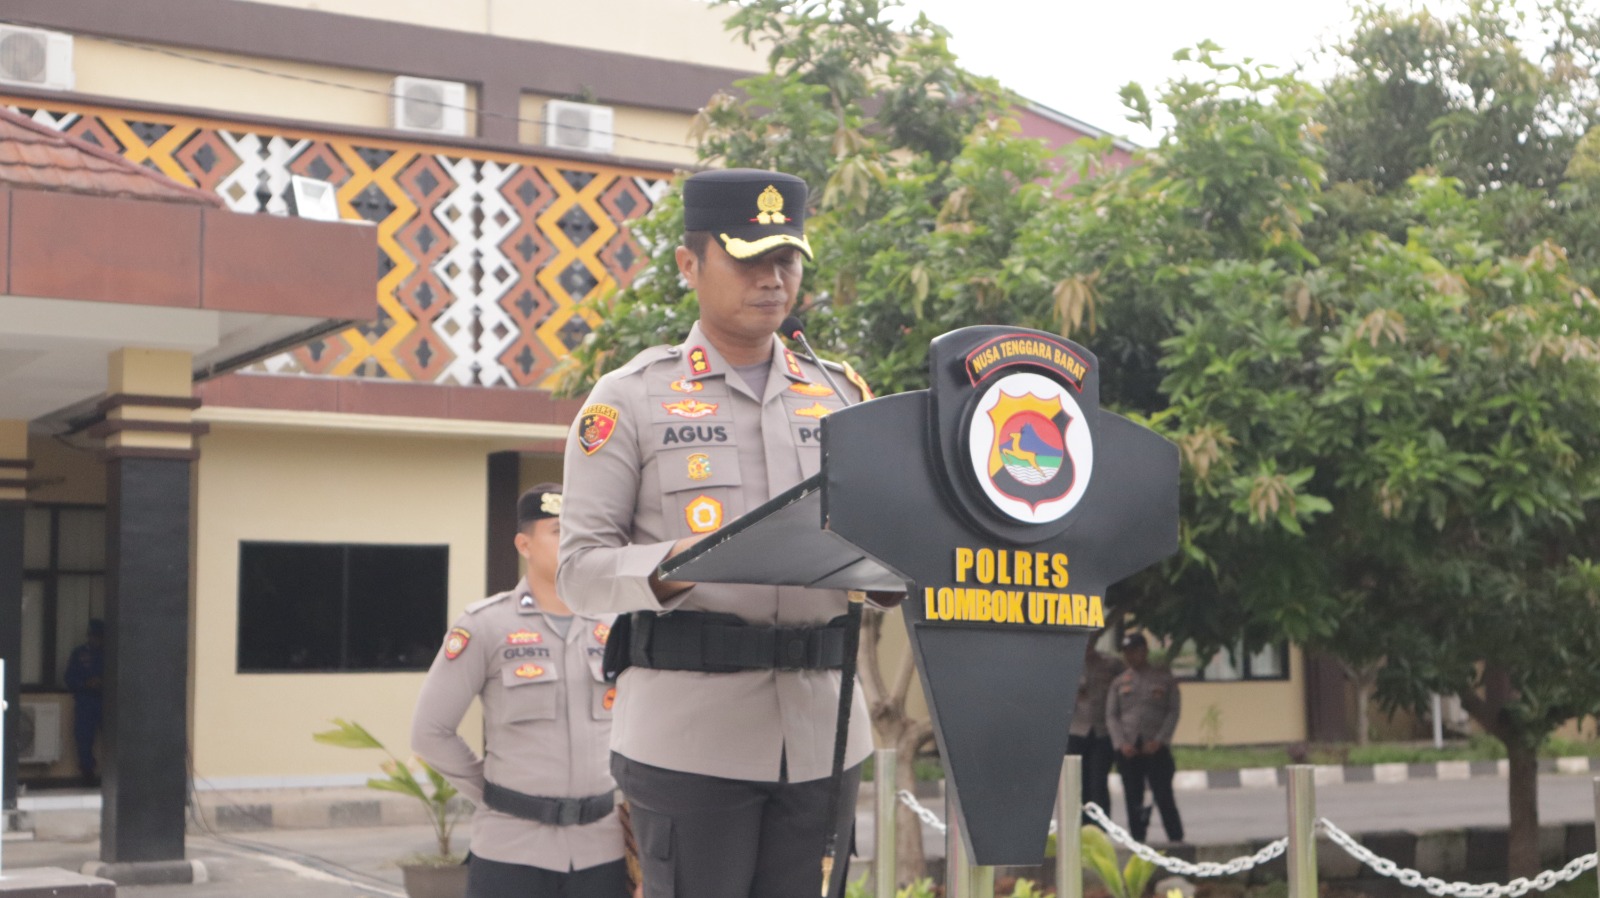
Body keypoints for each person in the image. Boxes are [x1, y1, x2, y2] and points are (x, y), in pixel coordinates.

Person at [557, 168, 876, 898]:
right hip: (691, 740)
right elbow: (578, 571)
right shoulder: (630, 397)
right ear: (689, 263)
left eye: (787, 259)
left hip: (824, 731)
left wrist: (899, 569)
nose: (773, 279)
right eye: (749, 259)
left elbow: (883, 549)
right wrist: (688, 561)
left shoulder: (843, 395)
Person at [412, 484, 630, 898]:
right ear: (524, 545)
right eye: (558, 530)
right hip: (511, 852)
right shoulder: (485, 625)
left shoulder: (616, 625)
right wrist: (496, 796)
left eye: (580, 531)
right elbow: (430, 732)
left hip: (601, 850)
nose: (572, 542)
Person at [1106, 632, 1184, 844]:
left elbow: (1173, 711)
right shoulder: (1119, 682)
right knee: (1133, 796)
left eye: (1134, 651)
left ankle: (1176, 839)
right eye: (1126, 653)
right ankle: (1137, 840)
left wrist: (1160, 740)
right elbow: (1112, 716)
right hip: (1129, 748)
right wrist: (1121, 743)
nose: (1130, 656)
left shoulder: (1164, 679)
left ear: (1145, 651)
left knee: (1163, 794)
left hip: (1155, 746)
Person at [1068, 636, 1123, 825]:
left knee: (1098, 781)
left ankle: (1101, 825)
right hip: (1076, 729)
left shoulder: (1111, 664)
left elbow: (1127, 685)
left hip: (1102, 730)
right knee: (1076, 781)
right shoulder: (1068, 663)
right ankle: (1079, 826)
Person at [62, 618, 104, 785]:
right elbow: (69, 678)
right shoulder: (79, 653)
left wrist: (103, 682)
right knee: (84, 737)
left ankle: (116, 776)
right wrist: (85, 683)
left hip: (107, 701)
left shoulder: (110, 653)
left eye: (98, 636)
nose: (95, 639)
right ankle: (87, 774)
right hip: (85, 700)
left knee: (115, 739)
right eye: (93, 635)